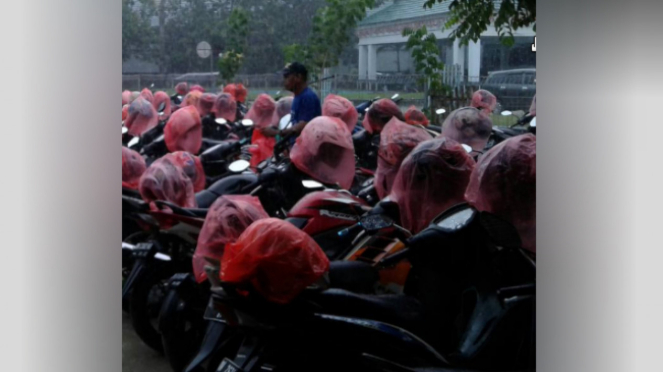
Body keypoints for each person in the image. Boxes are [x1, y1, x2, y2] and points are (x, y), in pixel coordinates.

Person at [263, 62, 321, 145]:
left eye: (287, 77)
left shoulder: (308, 97)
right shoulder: (298, 97)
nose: (284, 81)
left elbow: (302, 126)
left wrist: (277, 133)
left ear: (298, 77)